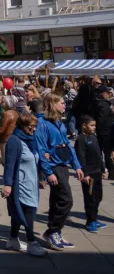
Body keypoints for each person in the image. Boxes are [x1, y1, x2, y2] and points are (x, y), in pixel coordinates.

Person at [35, 92, 84, 251]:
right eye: (61, 103)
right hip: (53, 166)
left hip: (63, 165)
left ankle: (56, 231)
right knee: (66, 200)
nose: (64, 105)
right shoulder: (42, 123)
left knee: (57, 200)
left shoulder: (59, 123)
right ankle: (52, 231)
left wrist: (76, 165)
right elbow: (41, 148)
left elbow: (67, 145)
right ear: (53, 104)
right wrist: (48, 172)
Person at [3, 112, 46, 257]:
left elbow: (35, 160)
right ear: (22, 125)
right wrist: (8, 184)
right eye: (31, 127)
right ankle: (31, 242)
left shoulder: (31, 140)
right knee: (29, 212)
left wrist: (41, 177)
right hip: (21, 184)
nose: (33, 129)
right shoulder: (14, 141)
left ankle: (13, 239)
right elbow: (9, 165)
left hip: (32, 182)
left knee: (19, 212)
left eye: (35, 127)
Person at [74, 116, 106, 233]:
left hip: (97, 173)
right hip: (90, 176)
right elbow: (80, 157)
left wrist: (103, 169)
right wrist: (85, 173)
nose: (94, 127)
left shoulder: (94, 137)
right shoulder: (81, 139)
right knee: (90, 198)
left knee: (98, 197)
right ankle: (90, 221)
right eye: (92, 125)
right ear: (84, 125)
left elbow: (99, 155)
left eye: (94, 125)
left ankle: (95, 218)